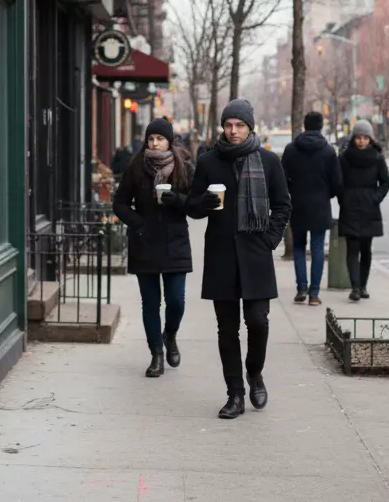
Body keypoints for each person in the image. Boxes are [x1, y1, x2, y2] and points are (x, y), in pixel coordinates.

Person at [187, 99, 291, 420]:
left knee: (258, 322)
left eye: (239, 125)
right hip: (221, 255)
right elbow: (191, 206)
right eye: (229, 125)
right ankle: (235, 393)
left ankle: (255, 373)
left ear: (250, 127)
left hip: (256, 254)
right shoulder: (208, 162)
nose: (233, 131)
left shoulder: (269, 161)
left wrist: (270, 240)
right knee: (226, 329)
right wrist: (203, 202)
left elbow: (283, 205)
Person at [112, 118, 194, 378]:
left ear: (169, 141)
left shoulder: (183, 166)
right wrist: (139, 224)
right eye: (151, 139)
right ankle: (156, 354)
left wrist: (177, 199)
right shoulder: (136, 166)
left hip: (175, 242)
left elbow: (195, 204)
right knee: (150, 303)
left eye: (159, 138)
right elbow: (120, 203)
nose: (155, 143)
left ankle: (170, 334)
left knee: (176, 301)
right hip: (145, 242)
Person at [281, 111, 343, 306]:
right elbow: (337, 181)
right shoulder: (328, 151)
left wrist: (292, 192)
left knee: (299, 247)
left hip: (298, 204)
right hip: (320, 205)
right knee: (317, 249)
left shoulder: (291, 149)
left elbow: (282, 178)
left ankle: (301, 287)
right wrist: (327, 194)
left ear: (304, 125)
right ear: (320, 126)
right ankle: (314, 294)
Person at [337, 120, 389, 302]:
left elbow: (385, 182)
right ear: (354, 138)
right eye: (359, 137)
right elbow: (338, 182)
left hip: (369, 207)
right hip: (350, 207)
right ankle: (355, 288)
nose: (361, 141)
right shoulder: (345, 158)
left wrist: (375, 198)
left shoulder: (377, 157)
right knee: (353, 249)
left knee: (366, 249)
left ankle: (363, 286)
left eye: (365, 138)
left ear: (370, 138)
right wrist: (343, 199)